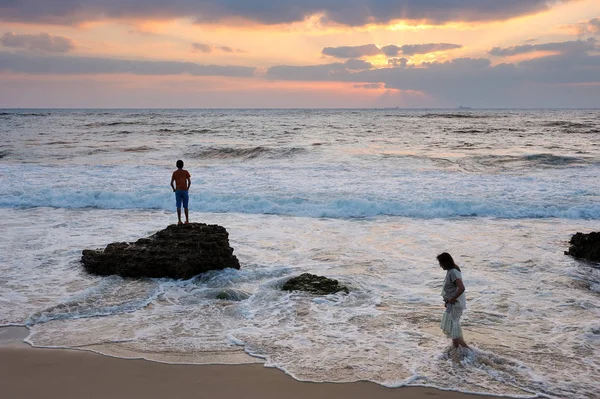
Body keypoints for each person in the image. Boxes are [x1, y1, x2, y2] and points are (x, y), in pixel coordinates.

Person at [437, 252, 469, 349]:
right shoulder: (452, 270)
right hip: (453, 304)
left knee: (454, 333)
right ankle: (458, 352)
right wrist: (448, 301)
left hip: (455, 305)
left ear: (445, 262)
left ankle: (470, 353)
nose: (440, 265)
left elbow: (461, 288)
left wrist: (451, 299)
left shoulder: (453, 272)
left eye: (440, 263)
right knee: (454, 331)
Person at [170, 160, 191, 225]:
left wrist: (174, 189)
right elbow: (189, 182)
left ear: (176, 165)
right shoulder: (186, 172)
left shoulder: (175, 173)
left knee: (178, 206)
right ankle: (187, 220)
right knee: (186, 206)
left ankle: (179, 221)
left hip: (178, 190)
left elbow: (171, 183)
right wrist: (187, 188)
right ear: (183, 165)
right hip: (184, 190)